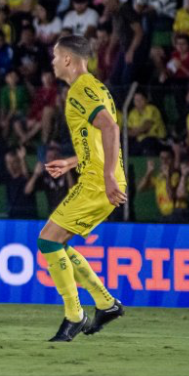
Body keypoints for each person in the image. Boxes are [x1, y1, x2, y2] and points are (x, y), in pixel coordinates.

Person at [39, 35, 126, 342]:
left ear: (67, 60)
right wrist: (72, 162)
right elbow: (98, 136)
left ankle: (74, 315)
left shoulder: (80, 89)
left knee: (48, 241)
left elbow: (111, 128)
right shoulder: (96, 87)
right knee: (56, 243)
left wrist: (108, 176)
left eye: (54, 56)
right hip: (94, 177)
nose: (51, 62)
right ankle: (105, 303)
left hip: (96, 183)